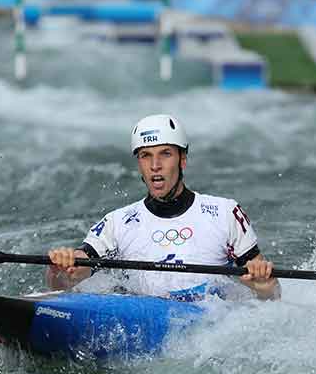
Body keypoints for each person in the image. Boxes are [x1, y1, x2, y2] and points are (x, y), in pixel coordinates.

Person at [47, 114, 281, 301]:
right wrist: (61, 267)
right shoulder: (117, 222)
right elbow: (66, 281)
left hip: (209, 326)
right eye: (145, 156)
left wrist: (264, 286)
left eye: (165, 154)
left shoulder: (225, 213)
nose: (155, 166)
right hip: (140, 314)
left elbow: (272, 294)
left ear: (183, 160)